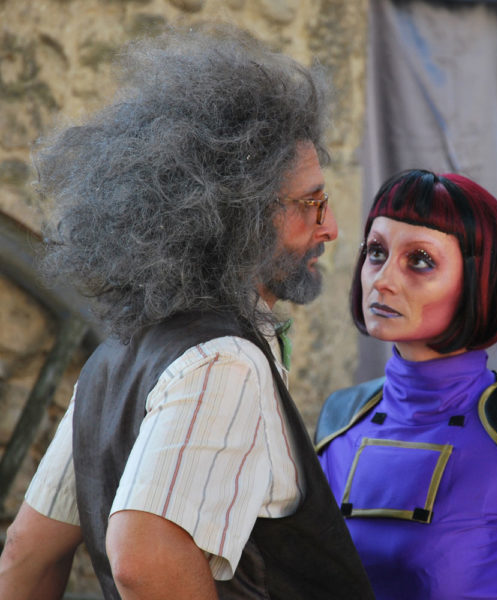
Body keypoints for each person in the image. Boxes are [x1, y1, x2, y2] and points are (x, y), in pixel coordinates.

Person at [0, 25, 375, 600]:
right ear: (235, 216)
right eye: (310, 203)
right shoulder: (222, 361)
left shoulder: (114, 358)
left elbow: (26, 555)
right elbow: (144, 558)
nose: (331, 228)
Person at [315, 169, 497, 600]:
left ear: (479, 280)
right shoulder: (341, 423)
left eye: (419, 260)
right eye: (376, 252)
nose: (383, 280)